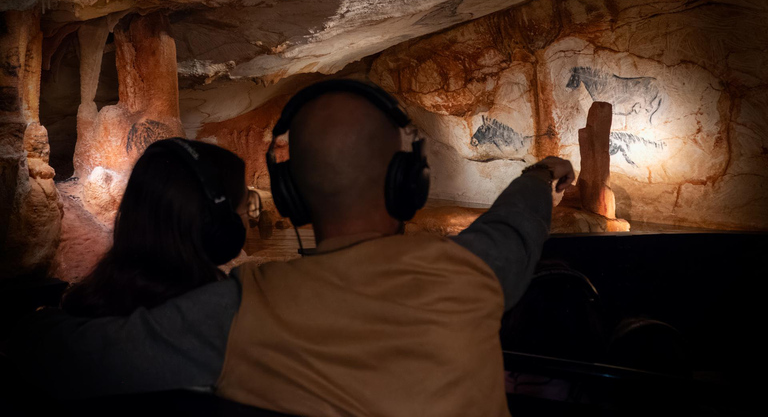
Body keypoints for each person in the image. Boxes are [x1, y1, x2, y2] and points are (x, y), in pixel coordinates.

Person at [3, 80, 574, 416]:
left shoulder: (235, 311)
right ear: (410, 183)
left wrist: (41, 316)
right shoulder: (477, 273)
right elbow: (517, 221)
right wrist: (545, 171)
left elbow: (58, 354)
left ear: (291, 195)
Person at [61, 138, 251, 318]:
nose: (250, 219)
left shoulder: (80, 306)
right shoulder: (222, 320)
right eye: (246, 208)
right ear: (216, 226)